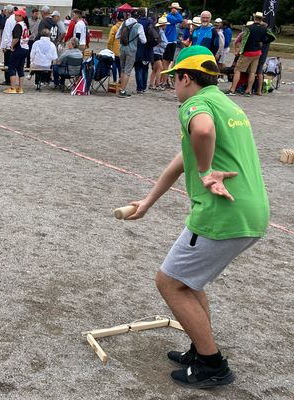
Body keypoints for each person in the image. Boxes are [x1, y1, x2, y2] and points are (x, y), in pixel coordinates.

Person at [128, 44, 269, 389]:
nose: (173, 85)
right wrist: (147, 202)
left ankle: (212, 365)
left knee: (169, 282)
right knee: (189, 282)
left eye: (174, 79)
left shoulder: (196, 104)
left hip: (223, 212)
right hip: (250, 211)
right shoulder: (226, 103)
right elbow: (180, 161)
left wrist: (206, 171)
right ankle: (200, 349)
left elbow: (202, 132)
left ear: (186, 78)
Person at [226, 12, 275, 97]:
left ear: (254, 18)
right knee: (252, 72)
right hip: (257, 53)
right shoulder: (264, 29)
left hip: (247, 52)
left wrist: (240, 51)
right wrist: (264, 41)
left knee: (237, 70)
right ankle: (248, 90)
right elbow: (273, 37)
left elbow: (244, 41)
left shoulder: (248, 28)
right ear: (261, 19)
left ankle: (232, 89)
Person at [115, 11, 146, 97]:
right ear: (138, 18)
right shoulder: (139, 26)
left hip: (122, 48)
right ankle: (122, 91)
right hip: (132, 50)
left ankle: (121, 89)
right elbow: (144, 40)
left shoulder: (124, 23)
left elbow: (117, 36)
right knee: (128, 70)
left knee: (123, 69)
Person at [4, 9, 29, 94]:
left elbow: (16, 38)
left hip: (19, 48)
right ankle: (20, 88)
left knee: (12, 67)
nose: (15, 16)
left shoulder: (18, 25)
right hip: (25, 48)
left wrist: (11, 46)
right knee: (20, 68)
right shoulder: (25, 25)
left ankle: (12, 88)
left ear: (21, 17)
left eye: (17, 15)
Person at [161, 2, 183, 88]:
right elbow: (180, 20)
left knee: (167, 63)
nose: (177, 11)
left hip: (171, 41)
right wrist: (176, 13)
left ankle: (163, 81)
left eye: (177, 10)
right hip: (169, 41)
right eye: (176, 9)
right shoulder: (169, 17)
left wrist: (176, 13)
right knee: (166, 63)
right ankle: (163, 82)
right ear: (173, 9)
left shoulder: (170, 16)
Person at [134, 8, 154, 94]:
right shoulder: (150, 22)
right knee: (145, 68)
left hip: (139, 47)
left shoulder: (136, 22)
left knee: (138, 68)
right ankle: (143, 87)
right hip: (148, 48)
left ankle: (139, 87)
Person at [0, 4, 16, 86]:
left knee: (7, 63)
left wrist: (4, 46)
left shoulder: (9, 20)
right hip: (15, 44)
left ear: (8, 11)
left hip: (9, 45)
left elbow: (6, 34)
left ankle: (8, 80)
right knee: (13, 63)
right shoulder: (16, 18)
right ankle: (12, 79)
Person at [149, 17, 168, 90]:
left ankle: (151, 84)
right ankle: (157, 84)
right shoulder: (161, 32)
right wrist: (165, 46)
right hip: (158, 52)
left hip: (155, 51)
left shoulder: (157, 31)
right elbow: (164, 42)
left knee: (155, 69)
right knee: (160, 68)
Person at [107, 12, 123, 83]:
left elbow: (110, 39)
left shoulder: (114, 28)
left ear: (117, 19)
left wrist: (108, 47)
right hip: (123, 49)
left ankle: (114, 80)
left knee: (114, 65)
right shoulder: (126, 27)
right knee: (121, 66)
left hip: (115, 49)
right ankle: (120, 79)